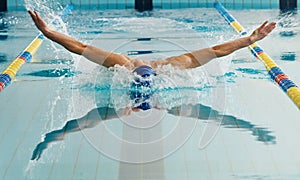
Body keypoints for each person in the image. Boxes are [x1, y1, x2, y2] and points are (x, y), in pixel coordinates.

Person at [28, 10, 276, 110]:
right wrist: (48, 32)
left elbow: (215, 51)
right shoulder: (119, 64)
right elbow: (81, 48)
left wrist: (249, 40)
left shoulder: (174, 65)